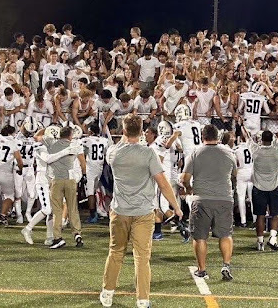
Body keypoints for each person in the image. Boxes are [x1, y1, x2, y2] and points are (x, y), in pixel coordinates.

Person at [100, 114, 182, 308]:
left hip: (120, 210)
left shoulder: (113, 152)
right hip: (144, 212)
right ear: (142, 131)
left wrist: (126, 133)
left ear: (124, 129)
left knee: (116, 252)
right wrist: (176, 207)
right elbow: (162, 183)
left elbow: (121, 144)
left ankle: (107, 292)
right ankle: (142, 299)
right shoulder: (148, 154)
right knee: (142, 257)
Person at [180, 124, 237, 281]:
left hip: (202, 199)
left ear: (202, 136)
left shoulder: (196, 153)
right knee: (225, 234)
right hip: (224, 198)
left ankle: (202, 270)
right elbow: (234, 174)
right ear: (217, 137)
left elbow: (185, 178)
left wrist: (189, 188)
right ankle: (226, 265)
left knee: (200, 237)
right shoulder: (228, 152)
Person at [40, 125, 86, 249]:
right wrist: (85, 174)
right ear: (71, 136)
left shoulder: (51, 143)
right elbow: (82, 162)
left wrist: (46, 128)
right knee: (73, 208)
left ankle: (58, 237)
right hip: (70, 180)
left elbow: (37, 136)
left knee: (57, 211)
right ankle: (77, 234)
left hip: (56, 181)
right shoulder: (75, 146)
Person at [248, 129, 278, 252]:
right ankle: (273, 238)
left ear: (261, 139)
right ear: (271, 139)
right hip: (274, 187)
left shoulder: (256, 151)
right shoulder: (276, 151)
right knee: (276, 214)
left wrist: (241, 125)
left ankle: (260, 241)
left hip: (259, 188)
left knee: (260, 215)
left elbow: (248, 138)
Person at [80, 123, 109, 223]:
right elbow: (106, 153)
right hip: (100, 167)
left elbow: (80, 148)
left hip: (91, 168)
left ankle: (93, 214)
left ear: (91, 131)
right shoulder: (104, 140)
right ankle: (99, 211)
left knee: (90, 192)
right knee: (95, 190)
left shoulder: (87, 140)